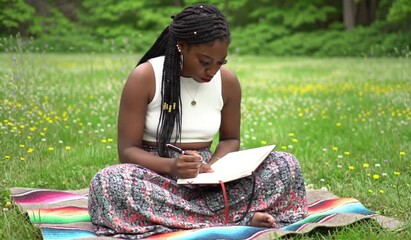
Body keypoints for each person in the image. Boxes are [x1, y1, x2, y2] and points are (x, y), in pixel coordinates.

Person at [88, 3, 308, 238]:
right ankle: (236, 219)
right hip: (156, 177)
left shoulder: (228, 82)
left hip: (210, 180)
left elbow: (231, 139)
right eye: (205, 61)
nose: (212, 71)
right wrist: (173, 166)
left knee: (286, 165)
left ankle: (193, 221)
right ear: (181, 46)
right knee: (109, 182)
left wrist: (211, 171)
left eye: (220, 63)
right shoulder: (146, 76)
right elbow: (127, 150)